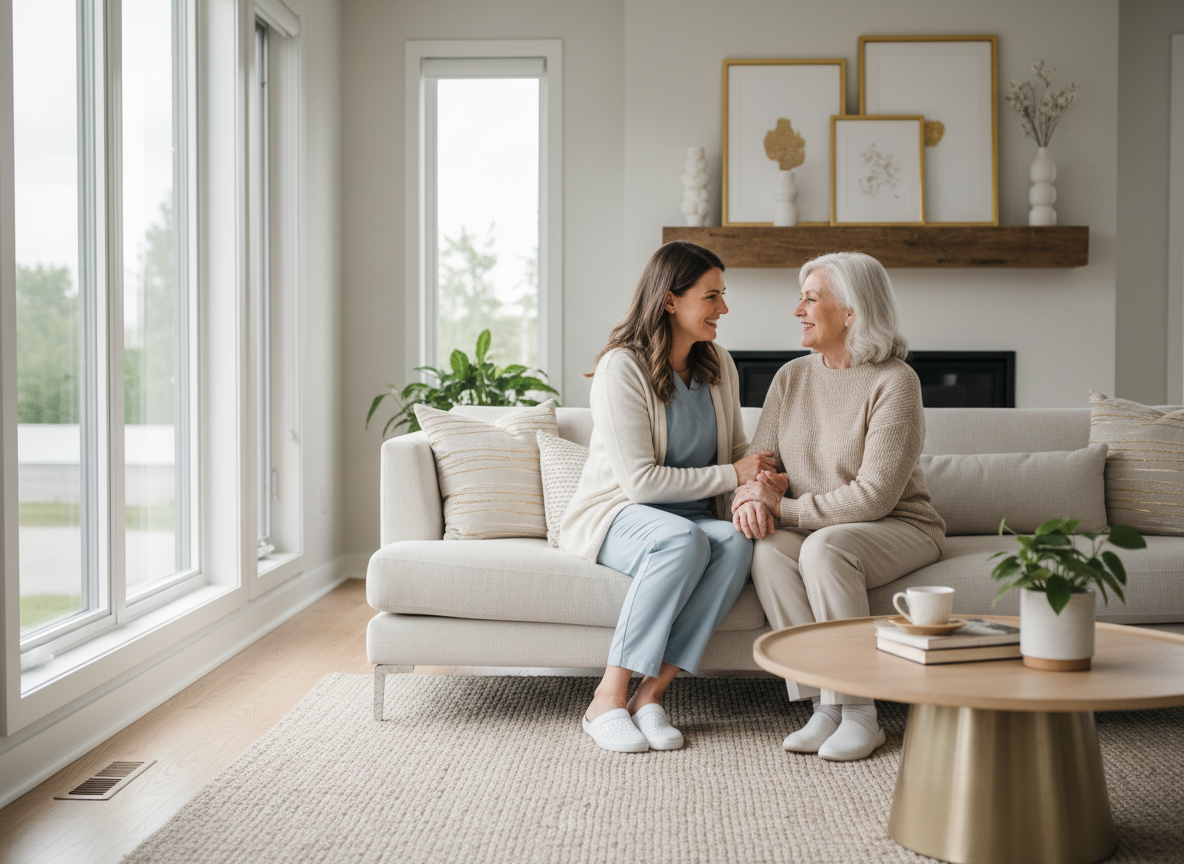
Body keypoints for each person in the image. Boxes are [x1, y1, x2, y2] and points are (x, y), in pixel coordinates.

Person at [560, 240, 776, 753]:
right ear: (670, 299)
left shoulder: (718, 363)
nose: (723, 309)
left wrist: (755, 485)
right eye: (712, 296)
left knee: (734, 540)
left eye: (723, 295)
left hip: (693, 519)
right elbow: (642, 483)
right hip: (621, 514)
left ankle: (651, 696)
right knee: (683, 540)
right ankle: (606, 700)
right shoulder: (622, 368)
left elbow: (739, 450)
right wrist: (734, 472)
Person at [732, 251, 946, 762]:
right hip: (822, 523)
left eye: (811, 297)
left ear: (851, 312)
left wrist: (781, 507)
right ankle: (824, 706)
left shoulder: (894, 381)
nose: (798, 309)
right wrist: (750, 497)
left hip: (898, 526)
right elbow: (760, 461)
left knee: (824, 549)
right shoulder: (791, 377)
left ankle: (859, 714)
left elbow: (873, 497)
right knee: (767, 552)